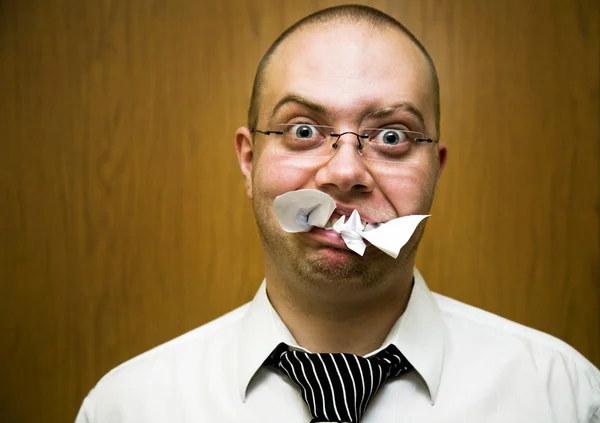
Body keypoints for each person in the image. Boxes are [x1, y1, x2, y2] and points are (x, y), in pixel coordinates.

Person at [75, 4, 599, 422]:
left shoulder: (566, 399)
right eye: (303, 131)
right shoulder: (127, 407)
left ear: (435, 170)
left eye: (391, 136)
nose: (344, 172)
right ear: (250, 159)